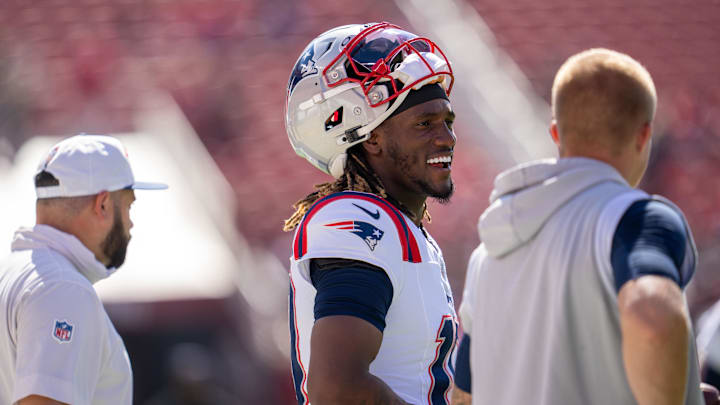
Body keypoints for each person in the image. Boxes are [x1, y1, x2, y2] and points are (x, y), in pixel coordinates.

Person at [454, 48, 704, 404]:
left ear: (556, 133)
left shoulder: (488, 250)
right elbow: (653, 318)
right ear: (643, 135)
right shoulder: (638, 219)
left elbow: (464, 395)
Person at [284, 22, 459, 405]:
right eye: (425, 124)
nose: (446, 137)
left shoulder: (405, 231)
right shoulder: (356, 218)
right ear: (372, 137)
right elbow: (338, 390)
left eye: (447, 121)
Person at [0, 135, 167, 405]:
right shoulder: (64, 288)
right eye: (128, 206)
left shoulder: (10, 272)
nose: (131, 223)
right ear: (102, 204)